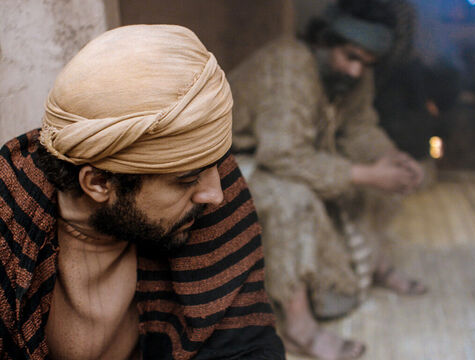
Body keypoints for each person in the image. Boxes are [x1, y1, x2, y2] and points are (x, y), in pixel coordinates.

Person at [0, 25, 285, 359]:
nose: (215, 194)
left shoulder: (207, 187)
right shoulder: (10, 228)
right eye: (186, 179)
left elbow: (246, 343)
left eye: (215, 164)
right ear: (99, 184)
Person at [228, 0, 426, 359]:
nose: (355, 70)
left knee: (378, 174)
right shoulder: (290, 64)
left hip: (284, 155)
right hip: (238, 161)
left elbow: (360, 128)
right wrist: (367, 175)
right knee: (292, 198)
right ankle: (299, 326)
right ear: (325, 41)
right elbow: (282, 154)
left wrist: (389, 160)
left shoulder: (353, 74)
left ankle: (375, 263)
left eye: (367, 63)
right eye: (350, 56)